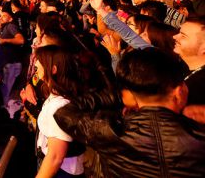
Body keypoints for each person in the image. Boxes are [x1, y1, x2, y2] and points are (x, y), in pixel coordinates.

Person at [54, 48, 205, 177]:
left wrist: (117, 96)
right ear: (180, 91)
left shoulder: (110, 131)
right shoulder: (198, 135)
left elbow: (64, 114)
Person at [34, 45, 85, 178]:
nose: (36, 63)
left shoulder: (59, 107)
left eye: (40, 60)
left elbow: (55, 158)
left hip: (62, 171)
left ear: (53, 69)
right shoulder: (61, 94)